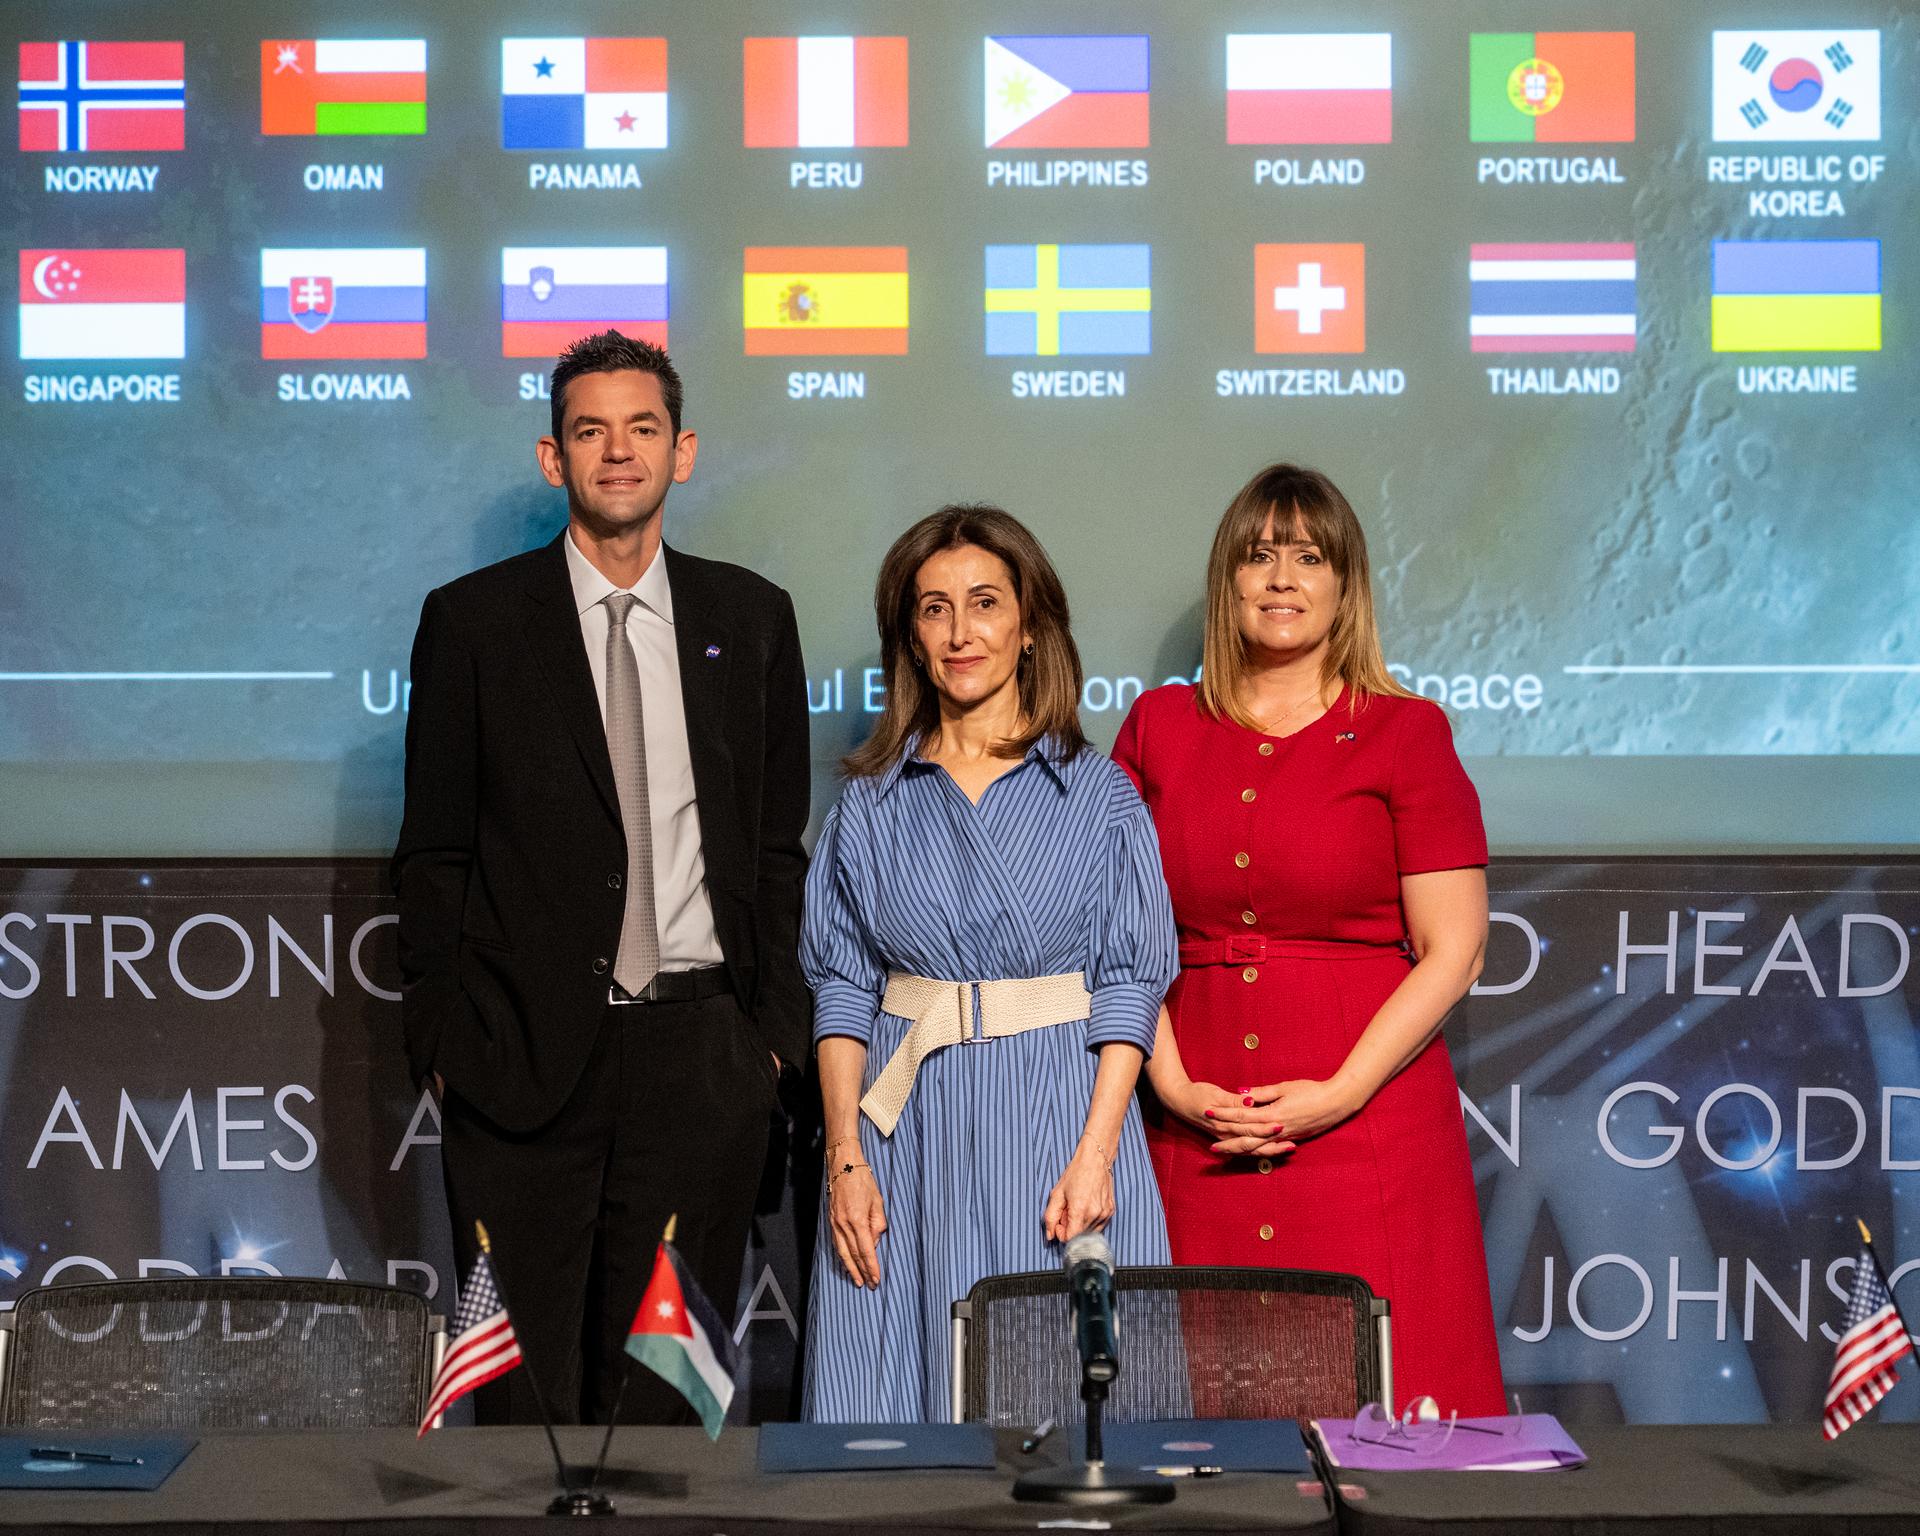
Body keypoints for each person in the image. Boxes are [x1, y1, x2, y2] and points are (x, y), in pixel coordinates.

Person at [392, 331, 810, 1424]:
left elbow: (773, 849)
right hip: (523, 1067)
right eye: (590, 431)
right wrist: (443, 1043)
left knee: (669, 1410)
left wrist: (767, 1037)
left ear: (683, 453)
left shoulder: (751, 619)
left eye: (642, 429)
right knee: (526, 1411)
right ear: (551, 458)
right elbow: (434, 855)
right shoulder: (474, 624)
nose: (616, 452)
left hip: (702, 1066)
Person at [1112, 463, 1506, 1417]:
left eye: (1308, 557)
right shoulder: (1158, 726)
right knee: (1201, 1426)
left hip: (1370, 1132)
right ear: (1229, 581)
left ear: (1344, 585)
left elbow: (1456, 950)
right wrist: (1169, 1086)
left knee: (1394, 1416)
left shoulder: (1406, 734)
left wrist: (1342, 1092)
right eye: (1259, 556)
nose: (1282, 578)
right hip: (1194, 1124)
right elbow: (1113, 932)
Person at [802, 505, 1177, 1423]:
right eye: (935, 609)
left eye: (983, 603)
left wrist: (1097, 1154)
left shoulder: (1098, 795)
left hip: (1056, 1123)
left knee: (1058, 1400)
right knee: (888, 1409)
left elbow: (1130, 983)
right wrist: (845, 1156)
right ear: (912, 635)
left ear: (1029, 626)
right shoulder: (870, 802)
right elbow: (842, 987)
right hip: (904, 1135)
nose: (961, 631)